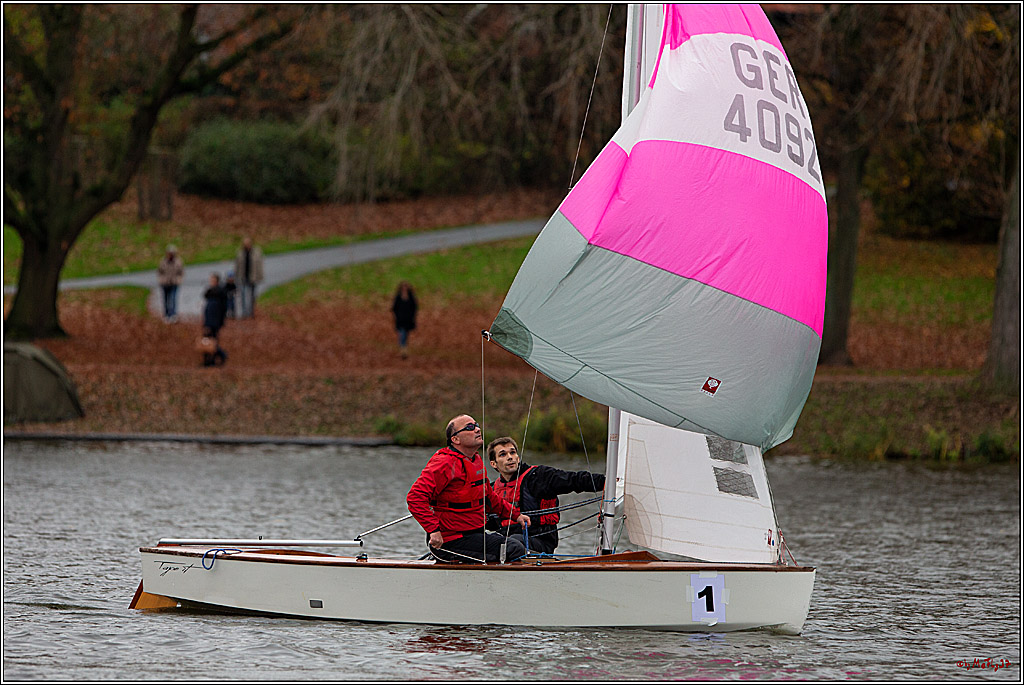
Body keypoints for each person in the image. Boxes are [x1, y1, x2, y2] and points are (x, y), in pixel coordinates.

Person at [407, 415, 531, 564]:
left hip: (473, 534)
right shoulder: (444, 463)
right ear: (455, 439)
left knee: (515, 541)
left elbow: (489, 497)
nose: (478, 429)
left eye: (476, 425)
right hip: (450, 542)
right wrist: (433, 530)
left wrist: (516, 515)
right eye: (470, 428)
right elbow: (415, 498)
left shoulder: (475, 460)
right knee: (514, 548)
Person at [486, 436, 605, 556]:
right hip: (507, 541)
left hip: (540, 541)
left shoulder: (539, 477)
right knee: (484, 543)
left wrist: (607, 482)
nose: (510, 457)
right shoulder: (492, 490)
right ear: (493, 464)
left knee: (513, 542)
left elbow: (573, 480)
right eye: (503, 454)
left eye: (512, 452)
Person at [200, 273, 229, 367]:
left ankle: (217, 356)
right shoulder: (212, 293)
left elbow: (222, 309)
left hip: (214, 320)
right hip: (211, 320)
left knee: (211, 340)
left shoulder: (218, 294)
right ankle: (210, 359)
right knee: (209, 339)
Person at [234, 237, 264, 318]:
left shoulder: (256, 252)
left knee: (252, 296)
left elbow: (259, 266)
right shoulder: (240, 253)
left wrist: (260, 276)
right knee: (243, 295)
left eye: (248, 243)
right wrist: (236, 276)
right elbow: (237, 265)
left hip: (253, 277)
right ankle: (244, 312)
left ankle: (251, 312)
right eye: (245, 243)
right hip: (243, 277)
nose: (247, 245)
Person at [156, 244, 184, 322]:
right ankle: (166, 314)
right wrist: (161, 280)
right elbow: (159, 272)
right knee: (165, 299)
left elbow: (181, 272)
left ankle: (173, 315)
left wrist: (178, 280)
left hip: (174, 283)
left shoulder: (178, 262)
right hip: (165, 283)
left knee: (173, 298)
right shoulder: (163, 261)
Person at [391, 281, 418, 358]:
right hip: (400, 320)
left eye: (406, 287)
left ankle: (403, 347)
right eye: (403, 287)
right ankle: (403, 350)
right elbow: (394, 308)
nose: (404, 288)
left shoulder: (411, 297)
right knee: (402, 334)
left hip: (408, 320)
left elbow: (414, 308)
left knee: (406, 335)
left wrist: (412, 316)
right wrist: (397, 316)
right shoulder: (398, 297)